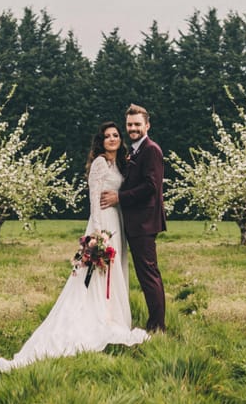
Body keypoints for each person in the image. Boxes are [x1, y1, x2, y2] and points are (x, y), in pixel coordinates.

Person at [0, 122, 148, 372]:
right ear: (101, 141)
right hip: (103, 224)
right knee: (97, 275)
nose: (112, 139)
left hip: (117, 223)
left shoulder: (119, 164)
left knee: (115, 272)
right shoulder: (100, 163)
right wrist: (98, 234)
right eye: (107, 136)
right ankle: (97, 318)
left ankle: (113, 316)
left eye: (116, 135)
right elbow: (94, 200)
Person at [101, 103, 166, 332]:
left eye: (137, 124)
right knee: (144, 273)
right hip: (135, 222)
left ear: (147, 125)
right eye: (129, 124)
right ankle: (154, 322)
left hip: (144, 222)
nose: (133, 128)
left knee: (148, 274)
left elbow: (151, 186)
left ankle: (157, 325)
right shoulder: (135, 150)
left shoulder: (151, 150)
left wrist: (119, 197)